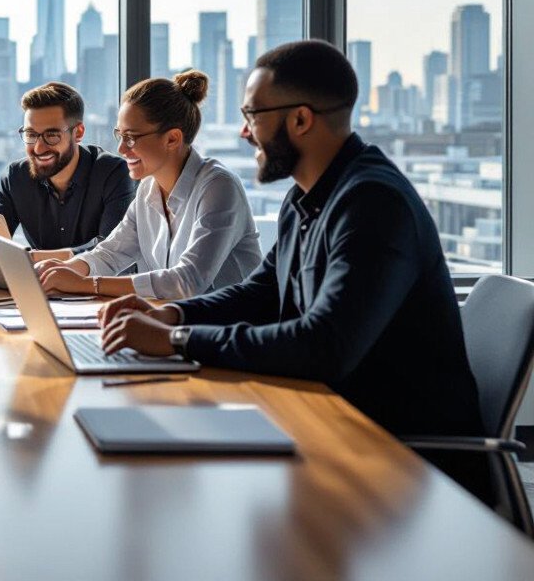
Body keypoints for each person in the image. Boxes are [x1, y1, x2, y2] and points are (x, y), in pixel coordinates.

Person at [98, 40, 483, 445]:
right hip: (326, 418)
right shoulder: (304, 197)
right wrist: (172, 316)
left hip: (395, 451)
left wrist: (179, 340)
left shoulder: (373, 203)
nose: (245, 133)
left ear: (300, 120)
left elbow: (323, 346)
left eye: (253, 116)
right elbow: (260, 293)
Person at [34, 70, 261, 299]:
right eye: (119, 135)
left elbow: (187, 282)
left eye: (131, 137)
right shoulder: (148, 189)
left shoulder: (219, 188)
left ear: (172, 139)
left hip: (231, 328)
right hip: (176, 321)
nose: (121, 149)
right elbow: (111, 253)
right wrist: (63, 271)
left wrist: (86, 284)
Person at [0, 81, 135, 258]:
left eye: (51, 135)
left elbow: (111, 248)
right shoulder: (16, 177)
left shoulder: (113, 173)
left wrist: (33, 259)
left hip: (96, 284)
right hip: (39, 282)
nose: (38, 148)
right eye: (31, 135)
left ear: (78, 133)